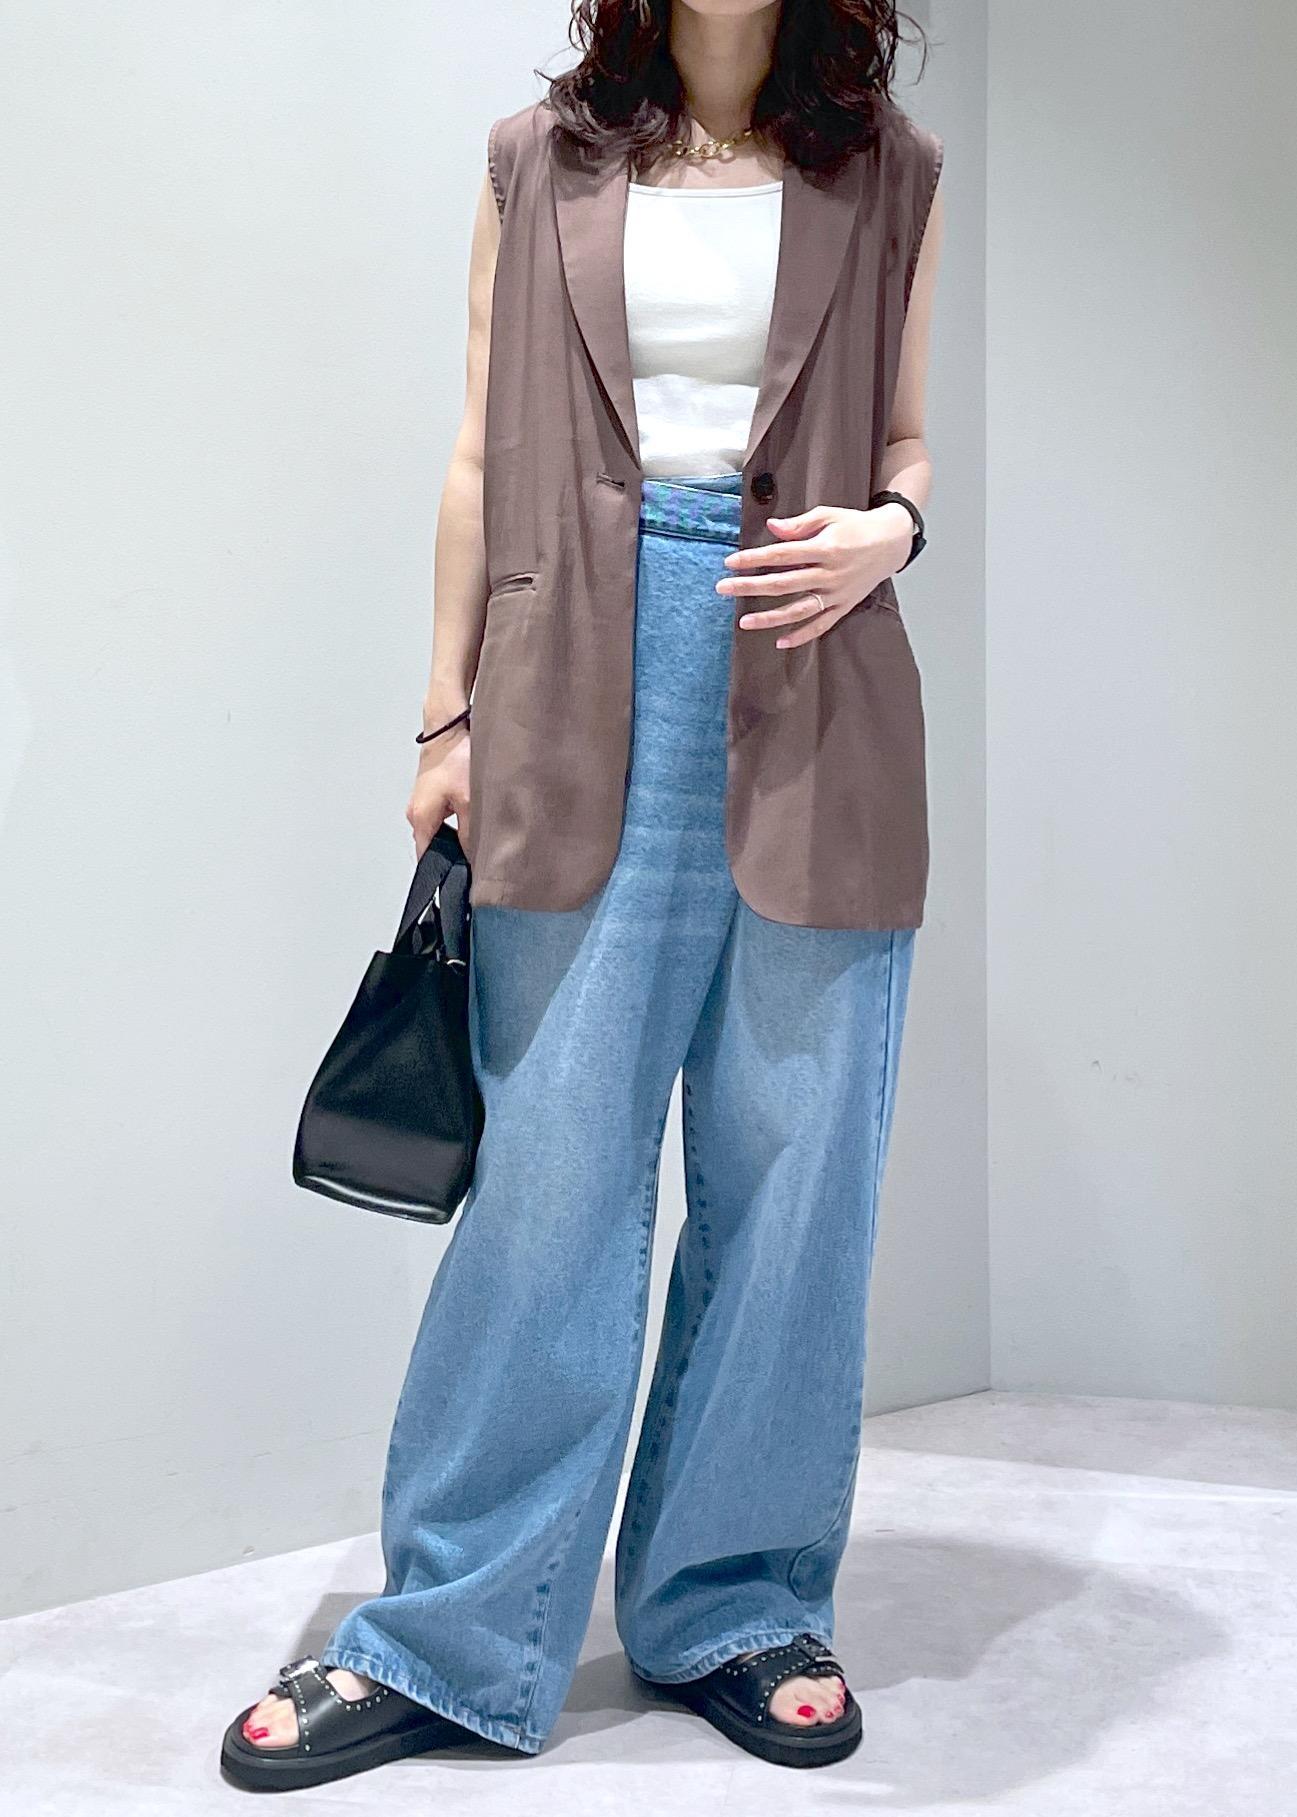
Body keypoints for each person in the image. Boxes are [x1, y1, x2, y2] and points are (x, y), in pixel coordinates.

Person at [221, 0, 944, 1791]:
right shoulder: (536, 160)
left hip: (817, 679)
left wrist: (892, 530)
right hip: (567, 684)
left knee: (795, 1188)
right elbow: (480, 447)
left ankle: (737, 1605)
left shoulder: (890, 171)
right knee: (549, 1182)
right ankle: (453, 1630)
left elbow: (906, 443)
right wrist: (445, 711)